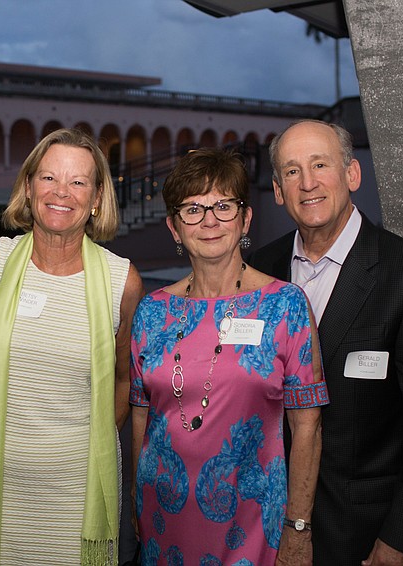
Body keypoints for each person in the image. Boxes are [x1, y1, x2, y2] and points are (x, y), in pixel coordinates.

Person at [250, 119, 403, 565]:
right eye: (291, 171)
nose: (307, 182)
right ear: (276, 189)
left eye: (320, 165)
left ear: (352, 175)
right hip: (261, 529)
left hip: (363, 538)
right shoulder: (257, 271)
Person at [130, 148, 328, 565]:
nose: (209, 221)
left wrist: (298, 528)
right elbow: (140, 416)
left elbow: (307, 425)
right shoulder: (151, 311)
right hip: (162, 519)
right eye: (193, 209)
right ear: (173, 227)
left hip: (254, 521)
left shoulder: (285, 306)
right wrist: (135, 499)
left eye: (223, 205)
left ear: (245, 219)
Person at [0, 128, 145, 565]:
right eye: (48, 178)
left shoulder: (121, 281)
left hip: (77, 493)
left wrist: (85, 443)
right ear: (28, 188)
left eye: (78, 182)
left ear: (97, 197)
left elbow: (125, 380)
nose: (61, 192)